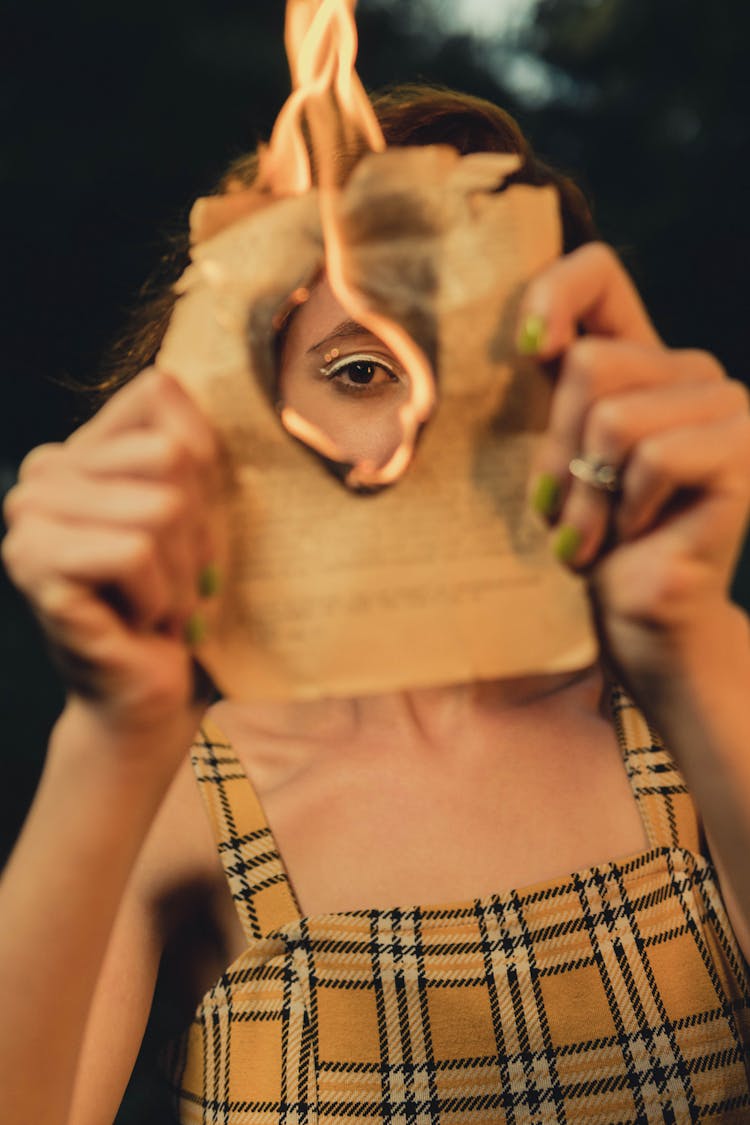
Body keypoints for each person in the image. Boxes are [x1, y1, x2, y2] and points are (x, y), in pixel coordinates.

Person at [2, 85, 750, 1125]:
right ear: (247, 414)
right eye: (360, 371)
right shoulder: (179, 791)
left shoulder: (698, 714)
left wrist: (701, 646)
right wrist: (107, 736)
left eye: (491, 370)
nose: (427, 435)